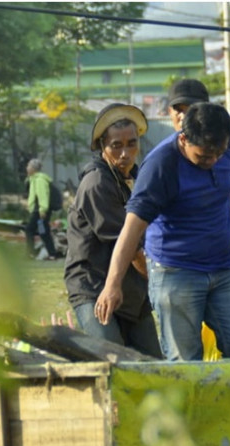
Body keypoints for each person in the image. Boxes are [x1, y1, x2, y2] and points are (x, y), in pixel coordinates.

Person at [95, 102, 230, 361]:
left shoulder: (223, 150)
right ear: (183, 139)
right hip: (176, 272)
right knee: (185, 361)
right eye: (204, 156)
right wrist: (112, 285)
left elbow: (224, 198)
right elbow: (132, 227)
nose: (214, 160)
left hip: (225, 268)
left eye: (219, 152)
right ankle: (191, 403)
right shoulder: (161, 165)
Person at [63, 103, 162, 358]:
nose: (125, 153)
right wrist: (163, 283)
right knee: (116, 364)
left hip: (132, 291)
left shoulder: (138, 178)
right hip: (94, 287)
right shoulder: (96, 182)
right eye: (116, 145)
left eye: (132, 143)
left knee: (154, 367)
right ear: (101, 146)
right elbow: (131, 247)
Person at [166, 78, 230, 231]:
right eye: (179, 110)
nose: (184, 116)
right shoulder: (164, 157)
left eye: (191, 110)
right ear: (169, 112)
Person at [25, 158, 59, 260]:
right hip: (39, 210)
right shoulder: (33, 179)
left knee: (29, 230)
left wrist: (43, 209)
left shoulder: (39, 180)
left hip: (40, 210)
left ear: (33, 168)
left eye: (29, 166)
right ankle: (52, 254)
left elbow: (43, 195)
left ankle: (30, 253)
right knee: (44, 232)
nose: (27, 168)